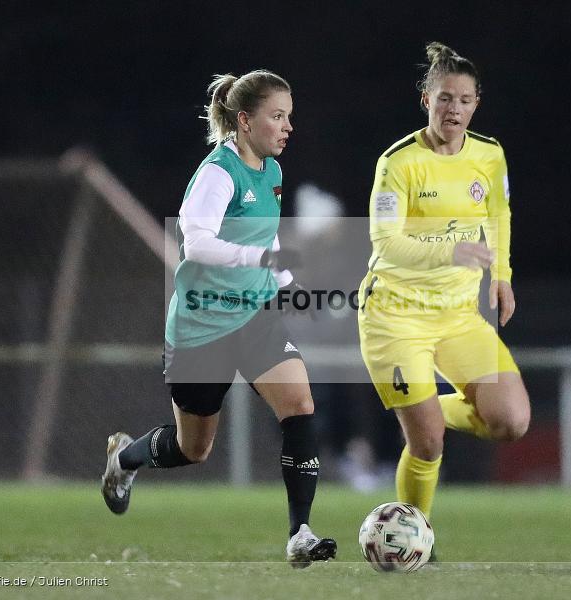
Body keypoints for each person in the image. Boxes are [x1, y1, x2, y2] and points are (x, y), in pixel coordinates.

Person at [100, 70, 336, 568]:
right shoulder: (217, 172)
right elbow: (198, 241)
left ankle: (300, 534)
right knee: (194, 449)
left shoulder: (271, 170)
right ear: (245, 120)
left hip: (253, 319)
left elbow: (264, 239)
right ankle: (125, 459)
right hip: (201, 328)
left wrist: (288, 283)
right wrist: (260, 263)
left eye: (290, 116)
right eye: (277, 116)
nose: (287, 126)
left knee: (299, 404)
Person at [358, 42, 531, 550]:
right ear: (425, 101)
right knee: (427, 441)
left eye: (464, 99)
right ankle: (412, 537)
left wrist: (501, 274)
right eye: (444, 99)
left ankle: (426, 408)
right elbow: (385, 242)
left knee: (510, 421)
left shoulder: (489, 155)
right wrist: (449, 250)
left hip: (457, 316)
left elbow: (498, 214)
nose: (453, 109)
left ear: (476, 104)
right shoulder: (398, 163)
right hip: (395, 316)